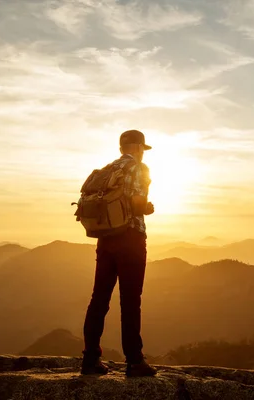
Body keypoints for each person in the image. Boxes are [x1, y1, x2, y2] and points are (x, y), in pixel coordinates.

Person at [81, 130, 157, 377]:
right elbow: (137, 204)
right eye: (142, 149)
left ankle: (90, 359)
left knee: (99, 299)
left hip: (105, 239)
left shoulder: (109, 168)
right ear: (136, 147)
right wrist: (148, 208)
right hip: (130, 239)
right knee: (130, 300)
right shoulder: (139, 168)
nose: (142, 153)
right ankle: (134, 360)